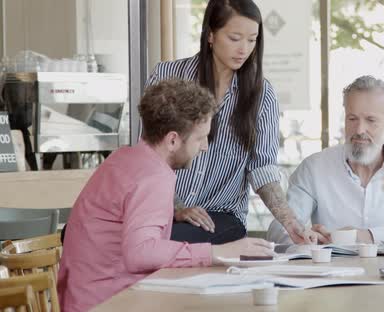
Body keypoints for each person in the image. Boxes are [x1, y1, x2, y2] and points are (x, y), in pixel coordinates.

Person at [57, 80, 275, 312]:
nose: (204, 148)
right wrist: (218, 252)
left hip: (84, 299)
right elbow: (140, 253)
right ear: (173, 140)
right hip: (108, 303)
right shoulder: (153, 176)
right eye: (200, 138)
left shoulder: (124, 158)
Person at [145, 0, 314, 245]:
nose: (243, 49)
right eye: (235, 38)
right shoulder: (168, 77)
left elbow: (262, 169)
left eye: (252, 40)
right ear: (211, 35)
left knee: (162, 241)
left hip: (221, 217)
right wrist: (177, 208)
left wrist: (291, 222)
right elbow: (150, 154)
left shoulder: (262, 94)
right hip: (162, 209)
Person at [267, 76, 384, 245]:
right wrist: (303, 237)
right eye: (352, 119)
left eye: (371, 120)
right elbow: (278, 231)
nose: (360, 130)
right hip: (334, 270)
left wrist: (366, 236)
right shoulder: (315, 168)